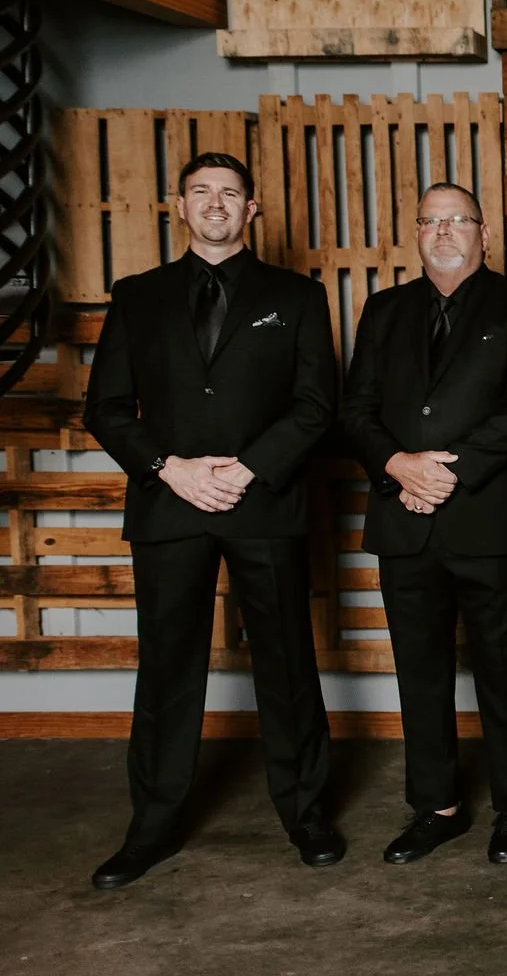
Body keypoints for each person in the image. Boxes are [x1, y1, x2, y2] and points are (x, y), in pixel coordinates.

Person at [84, 152, 341, 888]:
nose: (216, 203)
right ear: (180, 206)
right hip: (170, 502)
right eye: (202, 192)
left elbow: (316, 404)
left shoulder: (296, 294)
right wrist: (172, 468)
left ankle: (306, 811)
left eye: (230, 192)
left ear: (252, 208)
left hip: (263, 501)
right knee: (167, 666)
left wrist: (249, 468)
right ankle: (152, 825)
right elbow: (104, 408)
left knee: (287, 661)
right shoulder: (137, 296)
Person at [341, 183, 507, 867]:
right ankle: (436, 807)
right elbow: (357, 410)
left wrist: (447, 472)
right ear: (416, 233)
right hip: (405, 521)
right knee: (420, 674)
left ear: (482, 232)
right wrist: (400, 464)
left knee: (505, 671)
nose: (442, 231)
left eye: (456, 219)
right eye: (429, 221)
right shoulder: (384, 310)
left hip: (489, 520)